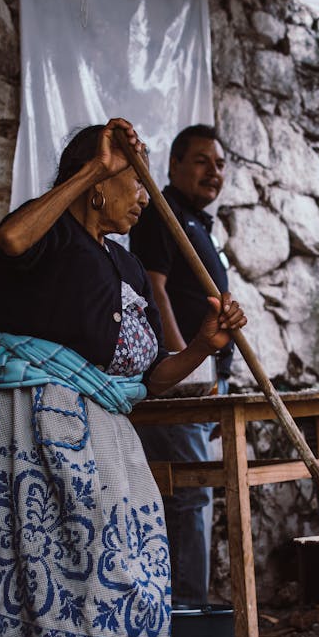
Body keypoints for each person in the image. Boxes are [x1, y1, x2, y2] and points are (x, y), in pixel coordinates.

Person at [0, 118, 246, 637]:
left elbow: (150, 376)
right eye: (134, 181)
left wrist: (206, 347)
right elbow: (10, 237)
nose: (146, 197)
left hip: (98, 447)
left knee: (86, 594)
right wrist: (94, 168)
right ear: (96, 186)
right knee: (23, 591)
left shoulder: (123, 263)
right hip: (22, 444)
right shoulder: (49, 238)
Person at [129, 124, 231, 607]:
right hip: (182, 381)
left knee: (193, 495)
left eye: (220, 163)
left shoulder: (194, 221)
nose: (214, 172)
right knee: (189, 495)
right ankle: (188, 610)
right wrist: (182, 365)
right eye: (201, 161)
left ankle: (186, 606)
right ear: (172, 165)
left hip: (203, 375)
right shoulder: (162, 214)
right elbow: (155, 286)